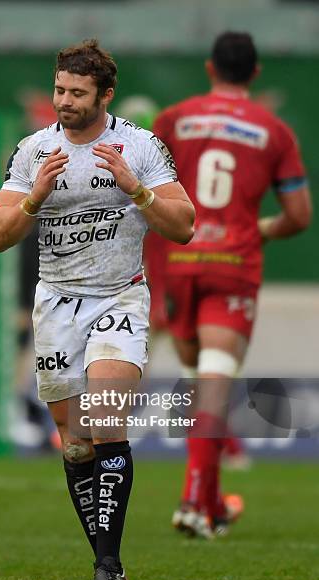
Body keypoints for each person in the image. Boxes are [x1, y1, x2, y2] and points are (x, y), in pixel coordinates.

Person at [0, 39, 195, 580]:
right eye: (59, 90)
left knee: (106, 424)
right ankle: (106, 562)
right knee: (75, 445)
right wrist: (34, 198)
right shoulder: (34, 151)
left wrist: (136, 188)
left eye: (77, 93)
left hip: (119, 299)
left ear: (106, 95)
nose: (64, 102)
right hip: (55, 305)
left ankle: (108, 568)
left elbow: (183, 225)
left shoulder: (142, 147)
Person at [148, 31, 312, 538]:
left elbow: (150, 197)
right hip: (231, 263)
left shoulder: (173, 120)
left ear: (209, 67)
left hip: (181, 261)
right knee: (215, 382)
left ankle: (212, 503)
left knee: (202, 381)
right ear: (256, 73)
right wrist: (258, 228)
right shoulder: (274, 131)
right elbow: (299, 216)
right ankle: (196, 503)